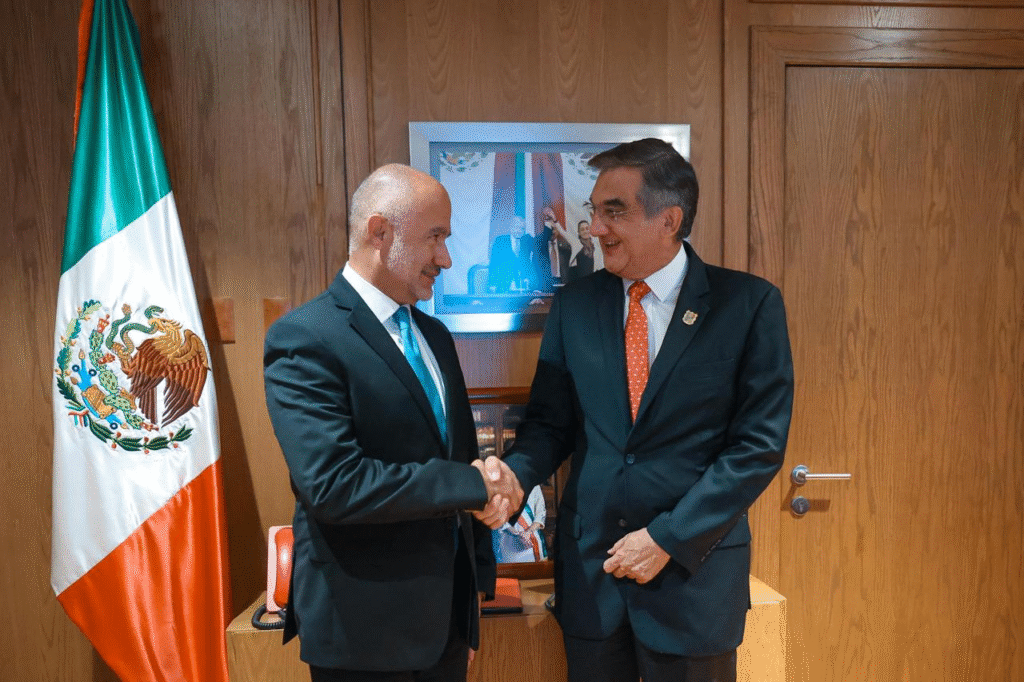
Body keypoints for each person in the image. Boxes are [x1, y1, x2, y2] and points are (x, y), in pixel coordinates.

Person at [483, 139, 794, 682]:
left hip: (692, 579)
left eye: (614, 211)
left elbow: (757, 448)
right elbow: (551, 424)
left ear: (668, 219)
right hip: (593, 579)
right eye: (595, 211)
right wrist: (514, 476)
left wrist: (668, 538)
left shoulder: (747, 305)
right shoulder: (575, 306)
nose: (596, 227)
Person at [264, 163, 523, 682]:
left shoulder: (435, 336)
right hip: (363, 634)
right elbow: (334, 484)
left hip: (446, 629)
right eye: (435, 237)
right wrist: (474, 485)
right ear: (379, 232)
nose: (446, 258)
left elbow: (461, 457)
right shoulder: (305, 338)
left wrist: (471, 601)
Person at [487, 216, 536, 292]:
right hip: (503, 284)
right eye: (517, 227)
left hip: (521, 285)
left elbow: (528, 263)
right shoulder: (500, 241)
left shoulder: (526, 241)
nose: (519, 231)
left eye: (522, 228)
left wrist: (529, 280)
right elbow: (494, 262)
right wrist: (492, 283)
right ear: (511, 227)